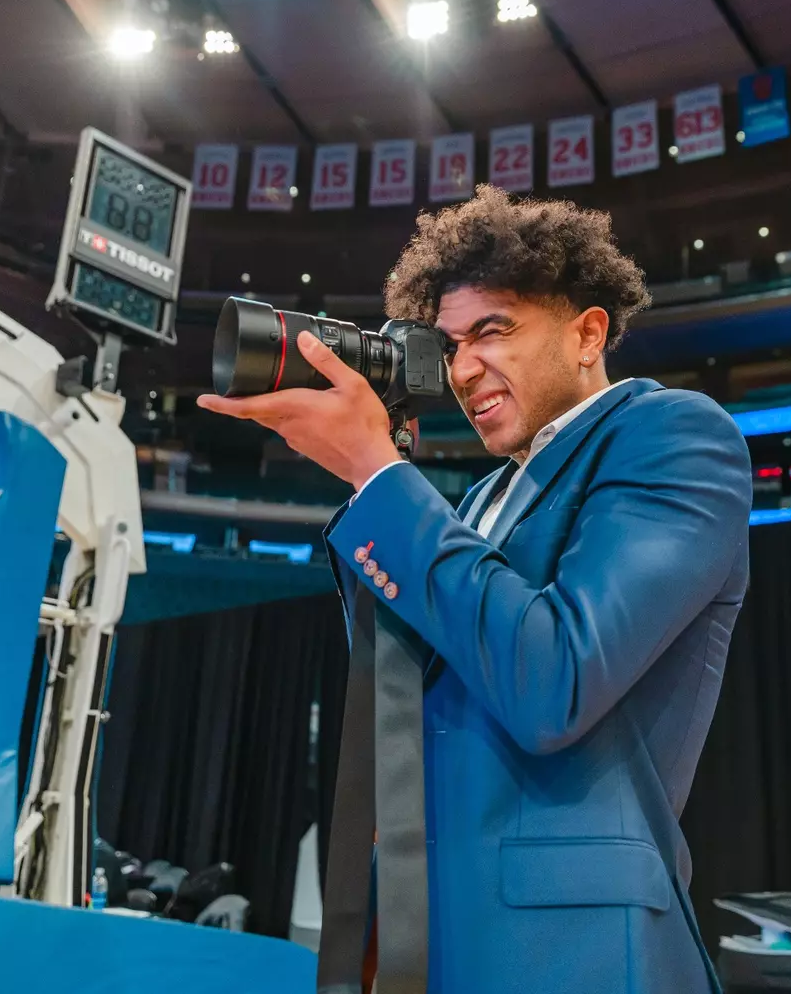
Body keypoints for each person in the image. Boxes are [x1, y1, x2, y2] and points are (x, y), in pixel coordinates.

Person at [199, 185, 753, 993]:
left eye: (493, 332)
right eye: (448, 346)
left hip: (571, 947)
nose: (462, 370)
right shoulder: (474, 502)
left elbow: (555, 678)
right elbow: (399, 700)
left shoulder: (673, 435)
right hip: (432, 930)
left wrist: (379, 475)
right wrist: (372, 484)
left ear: (588, 332)